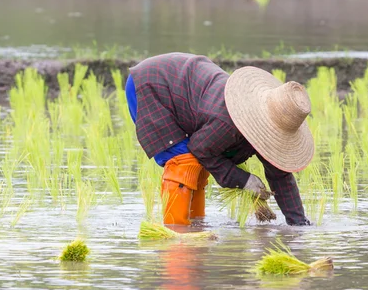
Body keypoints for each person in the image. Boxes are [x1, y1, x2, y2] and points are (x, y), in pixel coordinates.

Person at [125, 52, 314, 226]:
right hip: (152, 85)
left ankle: (196, 227)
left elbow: (280, 175)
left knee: (198, 166)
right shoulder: (228, 120)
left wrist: (298, 224)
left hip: (184, 85)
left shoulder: (267, 124)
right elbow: (200, 148)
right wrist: (243, 180)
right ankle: (177, 234)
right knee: (184, 162)